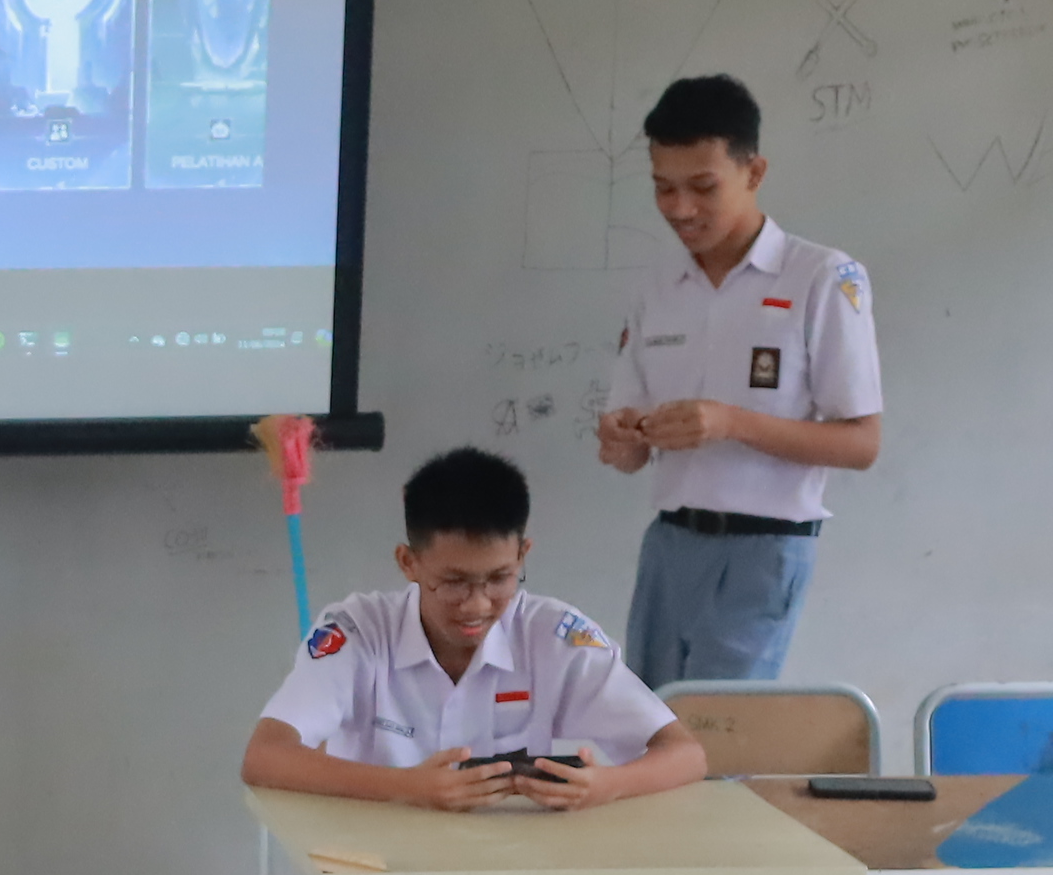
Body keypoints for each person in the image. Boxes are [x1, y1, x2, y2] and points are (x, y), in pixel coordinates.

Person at [591, 74, 884, 684]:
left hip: (765, 547)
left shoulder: (821, 278)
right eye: (663, 188)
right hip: (669, 547)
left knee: (722, 739)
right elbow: (627, 456)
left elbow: (861, 444)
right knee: (650, 731)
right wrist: (622, 438)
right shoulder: (656, 287)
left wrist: (730, 423)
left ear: (754, 173)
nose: (680, 209)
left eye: (702, 187)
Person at [246, 444, 712, 817]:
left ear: (523, 555)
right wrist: (408, 788)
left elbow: (687, 755)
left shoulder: (552, 637)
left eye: (498, 578)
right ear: (408, 562)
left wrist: (606, 785)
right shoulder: (359, 632)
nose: (477, 604)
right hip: (371, 872)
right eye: (453, 582)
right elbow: (265, 757)